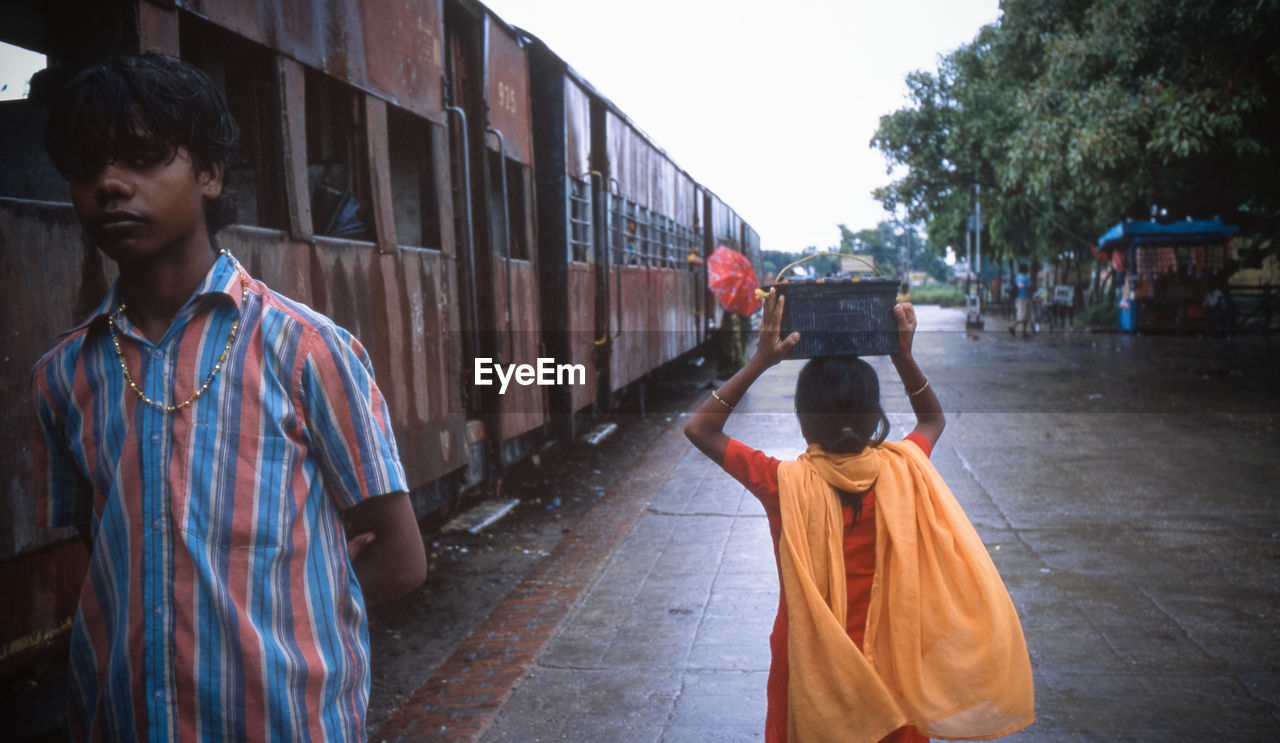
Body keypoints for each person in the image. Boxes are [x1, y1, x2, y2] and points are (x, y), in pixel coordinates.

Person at [31, 54, 427, 741]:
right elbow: (108, 544)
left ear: (210, 175)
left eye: (146, 157)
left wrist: (283, 627)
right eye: (85, 167)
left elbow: (400, 553)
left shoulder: (304, 348)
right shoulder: (65, 374)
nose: (109, 184)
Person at [684, 290, 1034, 743]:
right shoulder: (905, 468)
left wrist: (761, 361)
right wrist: (902, 356)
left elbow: (700, 428)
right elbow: (932, 419)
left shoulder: (782, 484)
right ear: (873, 418)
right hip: (894, 662)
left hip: (809, 664)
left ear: (804, 420)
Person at [1009, 263, 1032, 337]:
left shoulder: (1017, 277)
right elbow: (1028, 288)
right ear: (1025, 269)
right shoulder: (1026, 278)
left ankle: (1023, 333)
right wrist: (1030, 297)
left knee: (1025, 316)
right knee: (1023, 317)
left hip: (1018, 298)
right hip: (1024, 298)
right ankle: (1013, 327)